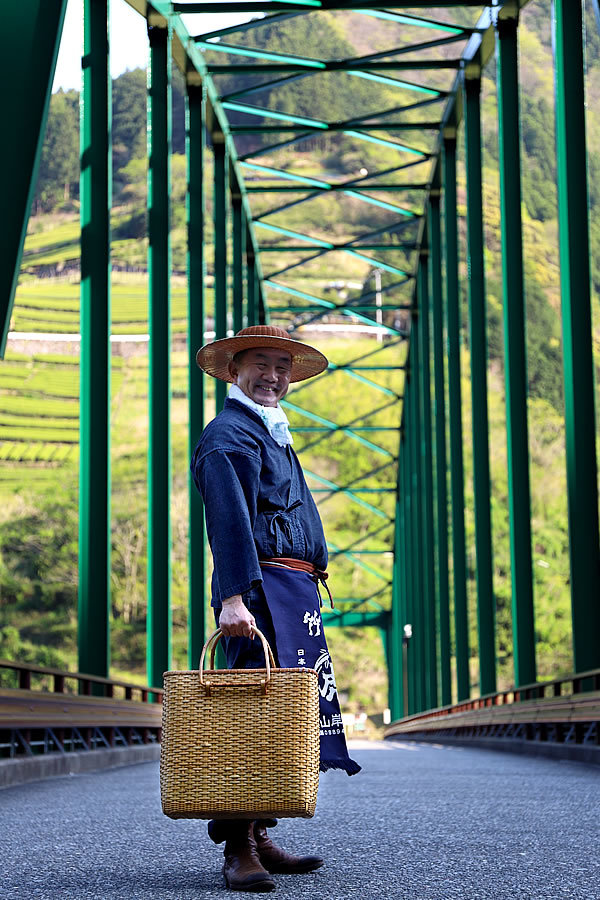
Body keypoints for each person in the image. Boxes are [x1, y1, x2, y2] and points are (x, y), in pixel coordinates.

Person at [191, 325, 360, 893]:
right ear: (233, 370)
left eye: (283, 367)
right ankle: (237, 845)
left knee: (280, 721)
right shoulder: (228, 435)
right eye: (261, 364)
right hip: (259, 594)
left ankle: (260, 831)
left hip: (291, 594)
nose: (273, 376)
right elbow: (230, 523)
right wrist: (231, 598)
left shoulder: (269, 431)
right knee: (248, 719)